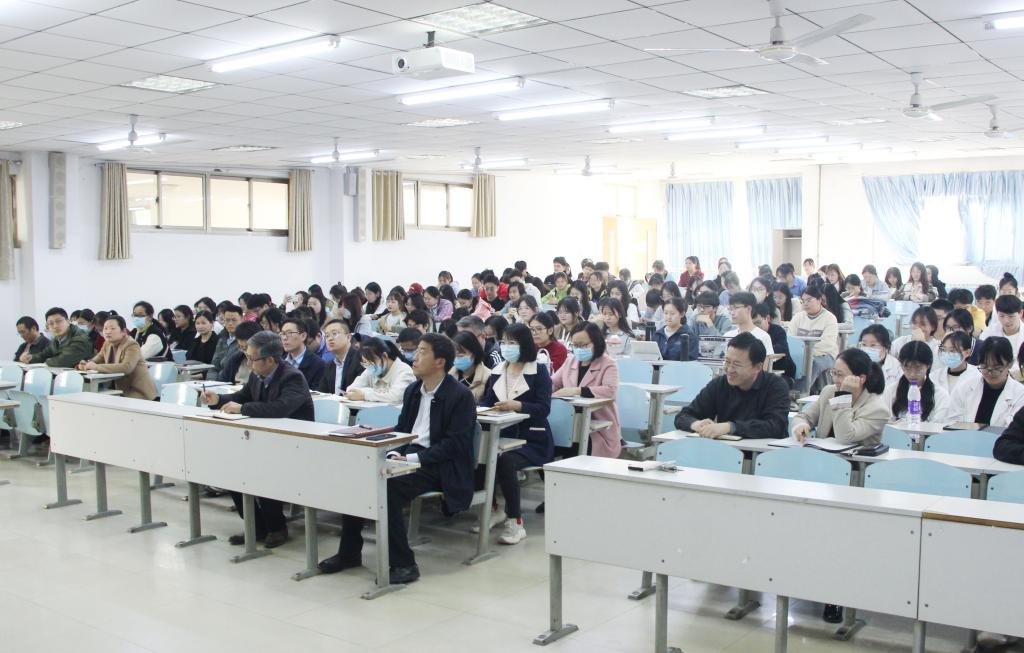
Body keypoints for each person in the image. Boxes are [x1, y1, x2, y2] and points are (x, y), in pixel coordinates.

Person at [320, 333, 476, 584]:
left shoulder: (459, 395)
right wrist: (393, 452)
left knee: (388, 488)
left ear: (440, 362)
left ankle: (404, 564)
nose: (415, 357)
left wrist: (412, 458)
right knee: (358, 478)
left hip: (440, 465)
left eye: (423, 352)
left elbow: (455, 445)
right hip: (410, 456)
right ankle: (349, 553)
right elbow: (403, 429)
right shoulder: (414, 390)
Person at [201, 331, 314, 548]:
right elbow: (242, 397)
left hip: (294, 445)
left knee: (262, 471)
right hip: (265, 442)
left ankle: (277, 527)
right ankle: (257, 526)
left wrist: (242, 409)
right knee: (232, 472)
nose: (249, 363)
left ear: (270, 360)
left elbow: (279, 408)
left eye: (252, 358)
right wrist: (218, 400)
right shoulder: (257, 374)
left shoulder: (292, 377)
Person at [477, 323, 553, 544]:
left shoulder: (538, 371)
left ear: (524, 344)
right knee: (480, 454)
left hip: (532, 439)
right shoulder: (498, 370)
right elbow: (487, 401)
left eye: (512, 342)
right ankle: (494, 509)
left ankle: (515, 521)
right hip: (501, 435)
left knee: (505, 461)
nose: (506, 347)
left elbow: (543, 408)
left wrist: (517, 405)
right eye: (503, 342)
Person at [675, 332, 790, 439]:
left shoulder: (776, 386)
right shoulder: (719, 384)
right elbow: (683, 416)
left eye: (736, 364)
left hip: (765, 452)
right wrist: (696, 424)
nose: (729, 369)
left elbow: (776, 426)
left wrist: (730, 427)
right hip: (726, 450)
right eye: (727, 361)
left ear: (758, 367)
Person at [791, 347, 888, 447]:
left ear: (861, 378)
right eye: (834, 373)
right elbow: (804, 417)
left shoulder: (877, 409)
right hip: (821, 454)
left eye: (840, 375)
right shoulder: (829, 392)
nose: (835, 379)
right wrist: (801, 425)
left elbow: (845, 437)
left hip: (853, 457)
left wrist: (843, 396)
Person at [551, 322, 621, 457]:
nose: (579, 349)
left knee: (574, 448)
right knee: (549, 444)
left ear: (596, 342)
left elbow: (610, 390)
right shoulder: (570, 361)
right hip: (568, 423)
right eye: (575, 345)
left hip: (598, 429)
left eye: (583, 345)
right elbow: (553, 383)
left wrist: (577, 391)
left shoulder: (608, 363)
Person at [948, 336, 1024, 427]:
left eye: (996, 368)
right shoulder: (965, 387)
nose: (990, 372)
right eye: (984, 366)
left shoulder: (1020, 395)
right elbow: (952, 422)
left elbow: (1013, 429)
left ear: (1010, 364)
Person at [77, 315, 158, 400]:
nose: (108, 332)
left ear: (123, 331)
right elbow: (97, 359)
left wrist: (95, 367)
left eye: (112, 329)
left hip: (137, 391)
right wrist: (86, 364)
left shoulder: (131, 345)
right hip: (118, 390)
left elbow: (126, 367)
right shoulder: (107, 344)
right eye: (105, 328)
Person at [882, 341, 952, 423]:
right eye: (907, 368)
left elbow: (939, 425)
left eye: (918, 368)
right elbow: (884, 422)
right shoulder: (890, 391)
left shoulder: (940, 395)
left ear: (928, 365)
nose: (912, 374)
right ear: (901, 366)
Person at [788, 286, 839, 391]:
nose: (805, 304)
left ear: (819, 300)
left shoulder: (830, 318)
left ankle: (800, 393)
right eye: (803, 301)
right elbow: (790, 339)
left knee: (812, 363)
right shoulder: (798, 317)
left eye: (809, 300)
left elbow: (827, 344)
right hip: (801, 354)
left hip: (825, 355)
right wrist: (802, 353)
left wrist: (807, 353)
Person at [345, 337, 416, 403]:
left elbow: (395, 395)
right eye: (365, 363)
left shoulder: (404, 371)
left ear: (384, 356)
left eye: (372, 361)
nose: (369, 366)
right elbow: (351, 390)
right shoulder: (370, 369)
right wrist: (375, 393)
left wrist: (364, 395)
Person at [19, 307, 94, 367]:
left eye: (58, 321)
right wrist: (30, 358)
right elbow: (44, 355)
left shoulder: (80, 339)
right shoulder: (57, 339)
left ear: (68, 321)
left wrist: (47, 361)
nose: (55, 326)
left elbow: (62, 361)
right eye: (51, 323)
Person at [318, 320, 364, 395]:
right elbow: (322, 393)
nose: (330, 338)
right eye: (327, 336)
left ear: (348, 337)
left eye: (334, 334)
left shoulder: (361, 360)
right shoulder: (329, 365)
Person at [753, 302, 795, 382]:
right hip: (762, 371)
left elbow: (782, 349)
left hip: (784, 373)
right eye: (753, 324)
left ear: (767, 318)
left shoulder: (778, 331)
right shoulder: (752, 332)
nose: (756, 327)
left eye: (758, 323)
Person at [279, 318, 325, 390]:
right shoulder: (280, 362)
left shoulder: (318, 364)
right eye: (282, 334)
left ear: (303, 336)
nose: (284, 338)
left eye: (289, 333)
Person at [931, 331, 979, 395]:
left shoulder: (977, 376)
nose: (947, 354)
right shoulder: (934, 376)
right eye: (944, 349)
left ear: (967, 352)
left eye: (952, 351)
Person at [450, 330, 491, 400]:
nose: (456, 358)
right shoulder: (449, 375)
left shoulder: (488, 376)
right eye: (454, 355)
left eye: (460, 355)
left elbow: (487, 403)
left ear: (474, 353)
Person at [654, 297, 698, 362]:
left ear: (682, 314)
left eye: (672, 314)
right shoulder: (657, 335)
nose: (668, 317)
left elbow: (692, 360)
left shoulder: (689, 336)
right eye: (666, 313)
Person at [859, 324, 902, 389]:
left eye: (873, 345)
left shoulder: (896, 367)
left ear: (886, 347)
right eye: (864, 344)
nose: (867, 349)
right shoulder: (856, 363)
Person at [218, 321, 259, 385]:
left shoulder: (263, 361)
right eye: (241, 347)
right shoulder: (236, 358)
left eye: (247, 347)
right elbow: (223, 380)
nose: (245, 351)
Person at [212, 304, 243, 379]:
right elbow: (214, 366)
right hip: (217, 381)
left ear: (242, 319)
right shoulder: (222, 338)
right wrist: (210, 381)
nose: (230, 323)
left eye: (234, 320)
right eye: (227, 320)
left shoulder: (244, 341)